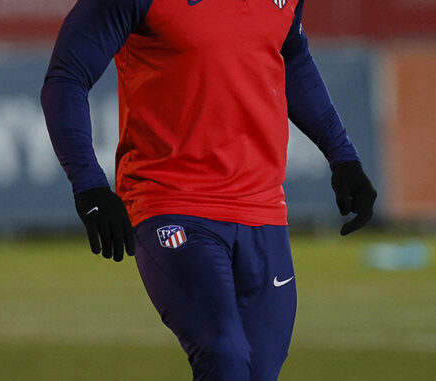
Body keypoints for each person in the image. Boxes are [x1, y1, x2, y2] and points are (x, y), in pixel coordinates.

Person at [41, 0, 377, 379]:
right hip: (169, 200)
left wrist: (342, 156)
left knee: (259, 371)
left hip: (261, 208)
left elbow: (292, 55)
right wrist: (89, 186)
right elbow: (67, 75)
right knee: (224, 353)